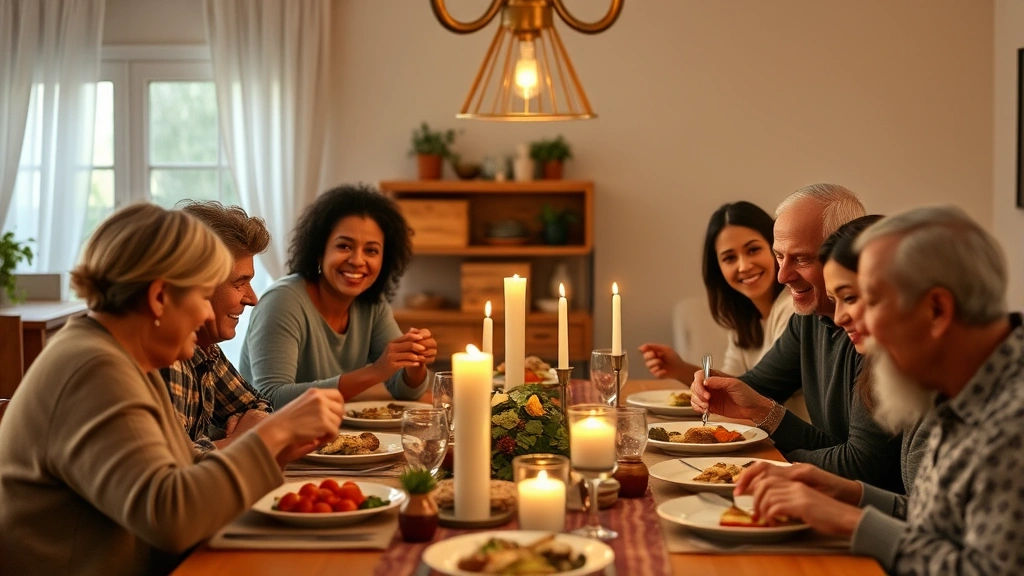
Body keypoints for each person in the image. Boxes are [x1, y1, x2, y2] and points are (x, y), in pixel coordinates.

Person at [0, 204, 344, 576]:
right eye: (200, 297)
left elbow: (185, 467)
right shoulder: (95, 369)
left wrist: (277, 444)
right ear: (160, 298)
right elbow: (170, 518)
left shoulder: (123, 358)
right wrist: (275, 431)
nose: (205, 316)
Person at [736, 206, 1024, 575]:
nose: (842, 318)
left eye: (865, 299)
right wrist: (851, 494)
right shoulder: (957, 391)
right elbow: (935, 521)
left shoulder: (1010, 423)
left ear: (936, 309)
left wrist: (852, 522)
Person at [690, 183, 904, 493]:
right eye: (779, 257)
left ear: (845, 252)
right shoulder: (810, 319)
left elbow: (862, 467)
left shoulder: (876, 336)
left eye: (802, 259)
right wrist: (714, 387)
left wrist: (769, 462)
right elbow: (753, 389)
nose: (782, 276)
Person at [241, 184, 438, 408]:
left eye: (371, 250)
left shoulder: (372, 305)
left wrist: (413, 364)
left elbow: (404, 392)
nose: (357, 260)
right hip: (261, 437)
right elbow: (270, 399)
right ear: (319, 251)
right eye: (344, 246)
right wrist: (376, 371)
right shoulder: (282, 302)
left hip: (325, 434)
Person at [158, 200, 274, 452]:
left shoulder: (205, 348)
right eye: (239, 283)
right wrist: (237, 440)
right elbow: (169, 468)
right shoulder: (162, 357)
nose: (253, 299)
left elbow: (257, 407)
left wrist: (249, 424)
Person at [640, 201, 794, 379]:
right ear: (718, 269)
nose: (743, 266)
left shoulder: (792, 308)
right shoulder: (744, 319)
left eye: (753, 250)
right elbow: (734, 384)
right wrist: (680, 369)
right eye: (729, 258)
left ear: (776, 248)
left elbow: (758, 391)